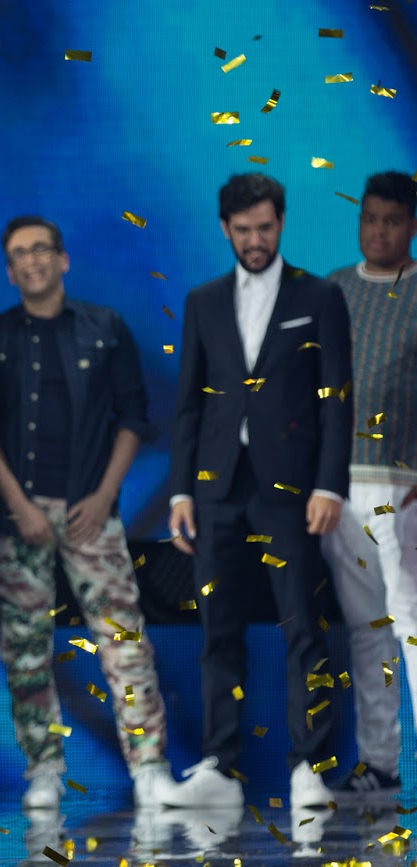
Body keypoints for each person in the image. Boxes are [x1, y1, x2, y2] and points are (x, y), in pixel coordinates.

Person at [164, 173, 352, 811]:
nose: (254, 240)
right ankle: (221, 766)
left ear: (282, 223)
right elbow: (188, 405)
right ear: (225, 228)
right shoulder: (203, 301)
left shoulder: (319, 296)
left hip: (292, 489)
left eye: (264, 228)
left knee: (303, 627)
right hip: (215, 488)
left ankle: (309, 768)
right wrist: (180, 493)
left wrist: (329, 484)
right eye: (242, 230)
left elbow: (336, 400)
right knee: (217, 628)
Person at [0, 216, 175, 809]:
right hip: (20, 515)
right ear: (9, 270)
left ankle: (150, 767)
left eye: (41, 249)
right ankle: (44, 769)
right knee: (25, 650)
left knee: (125, 643)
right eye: (19, 254)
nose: (32, 260)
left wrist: (103, 496)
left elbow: (133, 418)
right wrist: (19, 506)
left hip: (92, 507)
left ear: (63, 258)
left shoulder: (104, 327)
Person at [323, 171, 417, 798]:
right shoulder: (333, 289)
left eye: (392, 220)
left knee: (411, 621)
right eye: (370, 218)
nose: (379, 231)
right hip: (340, 484)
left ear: (411, 225)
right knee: (368, 626)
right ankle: (380, 764)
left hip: (406, 486)